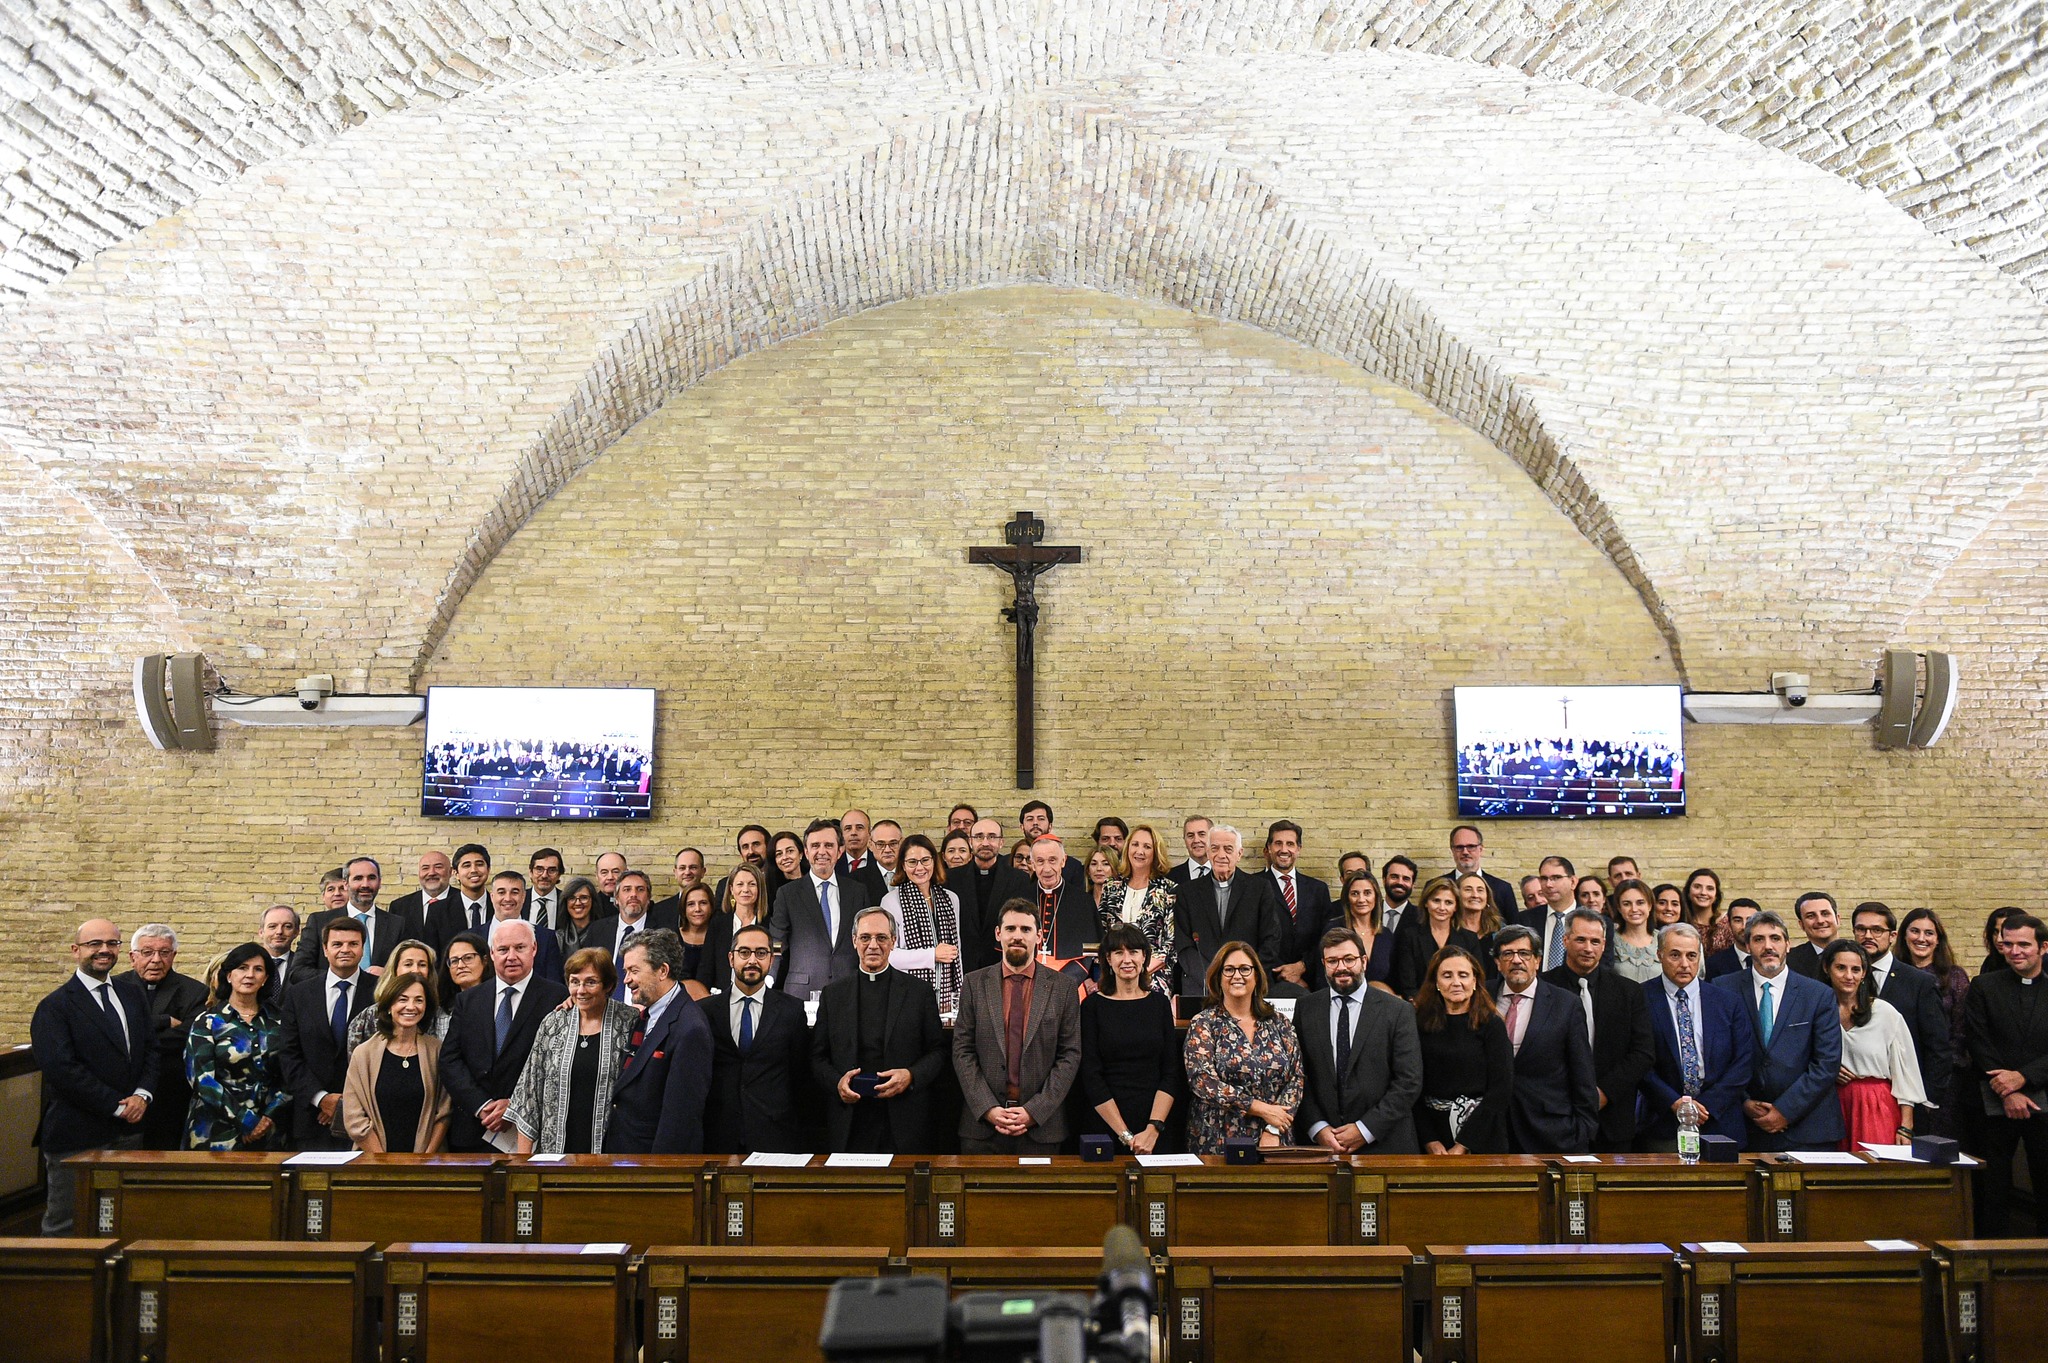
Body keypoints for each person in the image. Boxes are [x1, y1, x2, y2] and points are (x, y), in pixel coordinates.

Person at [30, 919, 157, 1235]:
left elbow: (151, 1050)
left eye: (112, 943)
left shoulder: (132, 994)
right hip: (77, 1133)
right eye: (94, 944)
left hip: (129, 1131)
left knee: (121, 1222)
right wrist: (117, 1106)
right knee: (67, 1223)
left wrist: (142, 1095)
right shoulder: (54, 1006)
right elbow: (62, 1070)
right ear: (76, 950)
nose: (104, 950)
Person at [813, 908, 949, 1154]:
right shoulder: (833, 994)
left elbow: (938, 1052)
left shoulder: (919, 992)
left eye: (882, 937)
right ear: (854, 941)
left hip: (903, 1120)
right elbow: (817, 1057)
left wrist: (910, 1075)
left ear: (893, 941)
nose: (873, 945)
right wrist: (837, 1083)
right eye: (865, 938)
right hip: (850, 1121)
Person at [954, 901, 1085, 1155]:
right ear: (998, 934)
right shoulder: (973, 984)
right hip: (981, 1129)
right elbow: (962, 1051)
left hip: (1041, 1129)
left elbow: (1070, 1055)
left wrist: (1034, 1111)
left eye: (1026, 929)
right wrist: (988, 1108)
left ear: (1039, 936)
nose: (1017, 936)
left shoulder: (1064, 988)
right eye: (1010, 928)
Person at [1712, 910, 1844, 1151]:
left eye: (1775, 938)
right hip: (1745, 1126)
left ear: (1788, 945)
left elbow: (1827, 1063)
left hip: (1808, 1127)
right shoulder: (1723, 988)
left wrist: (1786, 1110)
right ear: (1748, 946)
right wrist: (1744, 1101)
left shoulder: (1818, 994)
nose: (1768, 946)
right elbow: (1717, 1056)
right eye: (1758, 939)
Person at [439, 919, 571, 1152]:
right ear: (491, 953)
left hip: (527, 1132)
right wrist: (481, 1105)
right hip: (472, 1129)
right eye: (503, 949)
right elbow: (450, 1060)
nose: (511, 956)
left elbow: (558, 1066)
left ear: (534, 949)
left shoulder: (557, 997)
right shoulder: (468, 1000)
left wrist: (515, 1106)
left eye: (519, 948)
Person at [1294, 927, 1422, 1153]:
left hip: (1385, 1145)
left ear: (1363, 961)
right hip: (1323, 1146)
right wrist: (1318, 1128)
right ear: (1323, 964)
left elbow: (1409, 1081)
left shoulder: (1398, 1011)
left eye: (1349, 959)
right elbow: (1298, 1075)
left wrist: (1365, 1129)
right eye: (1332, 961)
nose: (1341, 967)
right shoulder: (1306, 1008)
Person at [1961, 913, 2048, 1235]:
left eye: (2024, 944)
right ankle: (1992, 1255)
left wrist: (2022, 1078)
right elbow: (1977, 1039)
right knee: (1993, 1187)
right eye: (2008, 944)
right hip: (1994, 1099)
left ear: (2043, 947)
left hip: (2044, 1097)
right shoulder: (1984, 986)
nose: (2015, 951)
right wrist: (2008, 1090)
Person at [1542, 909, 1655, 1153]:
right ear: (1565, 940)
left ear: (1604, 945)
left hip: (1613, 1118)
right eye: (1580, 940)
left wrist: (1603, 1093)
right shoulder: (1543, 987)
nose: (1588, 948)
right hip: (1554, 1116)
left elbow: (1642, 1052)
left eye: (1595, 942)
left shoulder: (1628, 992)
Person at [507, 947, 637, 1155]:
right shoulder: (553, 1023)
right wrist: (523, 1163)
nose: (581, 990)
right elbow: (530, 1092)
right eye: (575, 982)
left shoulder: (629, 1022)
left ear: (608, 985)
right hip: (555, 1153)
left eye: (591, 982)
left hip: (612, 1153)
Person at [701, 924, 816, 1154]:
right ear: (731, 958)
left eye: (761, 953)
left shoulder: (792, 1011)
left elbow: (800, 1076)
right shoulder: (705, 1011)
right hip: (718, 1135)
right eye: (744, 952)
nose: (752, 960)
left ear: (771, 960)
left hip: (775, 1135)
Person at [1182, 943, 1304, 1154]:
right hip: (1218, 1141)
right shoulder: (1204, 1023)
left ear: (1257, 976)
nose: (1237, 975)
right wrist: (1260, 1108)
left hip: (1274, 1140)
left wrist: (1274, 1128)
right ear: (1218, 977)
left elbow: (1297, 1078)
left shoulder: (1279, 1022)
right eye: (1229, 970)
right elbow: (1203, 1081)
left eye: (1245, 969)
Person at [1641, 923, 1754, 1149]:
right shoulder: (1639, 998)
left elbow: (1743, 1061)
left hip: (1719, 1119)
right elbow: (1638, 1061)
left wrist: (1706, 1105)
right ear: (1659, 955)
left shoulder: (1727, 1001)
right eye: (1675, 955)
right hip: (1662, 1121)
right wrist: (1673, 1102)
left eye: (1691, 955)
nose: (1684, 964)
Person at [605, 928, 715, 1154]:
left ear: (662, 971)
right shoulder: (645, 1016)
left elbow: (680, 1120)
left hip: (651, 1162)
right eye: (626, 971)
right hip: (626, 1153)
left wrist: (659, 1171)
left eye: (634, 970)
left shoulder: (690, 1028)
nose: (626, 980)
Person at [1492, 925, 1599, 1154]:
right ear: (1497, 962)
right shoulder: (1481, 997)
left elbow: (1582, 1072)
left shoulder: (1565, 1004)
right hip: (1492, 1130)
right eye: (1508, 954)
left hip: (1551, 1132)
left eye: (1524, 953)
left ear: (1537, 960)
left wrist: (1584, 1130)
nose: (1516, 960)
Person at [1079, 923, 1183, 1153]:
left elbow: (1170, 1072)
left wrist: (1153, 1129)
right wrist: (1126, 1135)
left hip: (1156, 1126)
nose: (1127, 960)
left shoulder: (1160, 1004)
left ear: (1144, 957)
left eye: (1133, 952)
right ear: (1108, 959)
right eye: (1118, 952)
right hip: (1106, 1125)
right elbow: (1091, 1076)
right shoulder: (1091, 1007)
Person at [1849, 902, 1951, 1134]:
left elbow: (1938, 1047)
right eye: (1861, 929)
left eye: (1877, 930)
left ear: (1893, 936)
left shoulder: (1919, 983)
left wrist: (1926, 1101)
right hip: (1854, 1099)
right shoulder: (1842, 979)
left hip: (1907, 1102)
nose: (1868, 936)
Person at [278, 915, 374, 1149]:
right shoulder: (298, 994)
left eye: (353, 944)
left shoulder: (380, 992)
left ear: (363, 949)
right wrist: (322, 1099)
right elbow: (289, 1054)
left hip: (367, 1117)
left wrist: (346, 1103)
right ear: (325, 949)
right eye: (337, 944)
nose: (345, 950)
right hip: (311, 1116)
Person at [183, 943, 290, 1151]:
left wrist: (268, 1117)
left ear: (266, 978)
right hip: (215, 1131)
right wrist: (247, 1121)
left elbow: (291, 1073)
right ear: (229, 975)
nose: (250, 975)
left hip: (269, 1130)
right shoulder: (207, 1022)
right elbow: (202, 1080)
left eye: (258, 969)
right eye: (242, 968)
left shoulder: (281, 1021)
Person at [1823, 940, 1926, 1152]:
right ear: (1827, 968)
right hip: (1831, 1105)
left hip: (1876, 1106)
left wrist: (1906, 1127)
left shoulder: (1884, 1013)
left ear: (1864, 974)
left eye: (1856, 969)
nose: (1849, 976)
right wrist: (1829, 1070)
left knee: (1875, 1167)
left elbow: (1905, 1073)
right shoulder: (1818, 1011)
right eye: (1841, 968)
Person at [1412, 945, 1512, 1155]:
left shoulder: (1492, 1024)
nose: (1456, 982)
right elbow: (1412, 1085)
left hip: (1483, 1134)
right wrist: (1429, 1140)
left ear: (1474, 981)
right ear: (1436, 983)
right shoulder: (1418, 1024)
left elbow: (1500, 1090)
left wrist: (1463, 1145)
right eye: (1447, 975)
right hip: (1431, 1134)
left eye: (1463, 975)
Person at [119, 923, 210, 1150]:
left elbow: (187, 1036)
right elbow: (111, 1030)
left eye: (164, 952)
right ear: (132, 957)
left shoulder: (195, 991)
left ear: (174, 955)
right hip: (123, 1092)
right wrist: (164, 1021)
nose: (156, 960)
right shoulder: (115, 987)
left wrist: (132, 1037)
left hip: (170, 1092)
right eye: (147, 952)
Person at [341, 973, 452, 1153]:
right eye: (403, 999)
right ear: (389, 1006)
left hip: (427, 1161)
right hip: (373, 1160)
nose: (411, 1006)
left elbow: (444, 1111)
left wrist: (424, 1160)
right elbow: (354, 1117)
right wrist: (384, 1162)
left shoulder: (437, 1051)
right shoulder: (363, 1054)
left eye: (419, 1000)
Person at [1174, 826, 1284, 993]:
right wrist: (1211, 977)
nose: (1221, 855)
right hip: (1201, 985)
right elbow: (1183, 944)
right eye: (1215, 848)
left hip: (1248, 985)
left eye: (1228, 849)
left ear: (1239, 854)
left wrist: (1245, 974)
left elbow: (1271, 939)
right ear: (1208, 852)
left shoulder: (1259, 889)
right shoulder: (1187, 892)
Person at [768, 818, 866, 1001]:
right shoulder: (788, 894)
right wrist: (768, 978)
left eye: (829, 845)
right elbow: (777, 942)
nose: (822, 851)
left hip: (850, 988)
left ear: (840, 851)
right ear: (806, 852)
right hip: (801, 992)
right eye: (815, 846)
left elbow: (866, 940)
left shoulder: (857, 892)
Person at [1900, 907, 1972, 1137]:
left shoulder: (1955, 976)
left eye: (1929, 933)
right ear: (1903, 935)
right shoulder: (1895, 974)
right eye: (1915, 931)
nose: (1921, 938)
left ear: (1938, 939)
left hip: (1945, 1078)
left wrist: (1938, 1073)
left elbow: (1961, 1031)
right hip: (1900, 1075)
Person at [879, 834, 965, 1019]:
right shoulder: (891, 901)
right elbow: (889, 956)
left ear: (934, 861)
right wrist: (932, 955)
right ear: (903, 865)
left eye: (925, 860)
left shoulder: (951, 898)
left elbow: (956, 953)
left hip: (947, 998)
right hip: (907, 996)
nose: (920, 868)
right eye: (912, 862)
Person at [1094, 824, 1178, 994]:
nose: (1140, 851)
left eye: (1147, 847)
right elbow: (1102, 932)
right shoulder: (1111, 886)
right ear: (1127, 848)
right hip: (1114, 975)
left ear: (1156, 852)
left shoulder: (1169, 890)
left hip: (1153, 977)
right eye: (1135, 844)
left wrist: (1139, 971)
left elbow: (1170, 943)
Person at [295, 855, 412, 976]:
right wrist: (339, 978)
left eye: (371, 878)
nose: (365, 884)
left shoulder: (397, 925)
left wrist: (389, 975)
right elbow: (298, 971)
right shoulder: (319, 922)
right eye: (358, 878)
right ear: (346, 884)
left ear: (380, 882)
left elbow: (410, 969)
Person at [953, 817, 1034, 974]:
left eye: (992, 837)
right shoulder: (952, 879)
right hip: (962, 964)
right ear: (970, 842)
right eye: (979, 837)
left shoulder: (1019, 880)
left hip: (1003, 964)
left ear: (1001, 842)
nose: (985, 843)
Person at [1262, 820, 1333, 990]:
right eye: (1278, 843)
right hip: (1268, 981)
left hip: (1311, 981)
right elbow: (1251, 936)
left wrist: (1302, 966)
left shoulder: (1318, 889)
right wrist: (1282, 973)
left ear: (1298, 849)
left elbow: (1327, 936)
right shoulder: (1253, 886)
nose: (1284, 849)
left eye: (1290, 844)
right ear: (1269, 848)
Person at [345, 940, 448, 1051]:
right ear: (394, 969)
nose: (415, 970)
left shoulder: (440, 1015)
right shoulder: (367, 1018)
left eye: (422, 965)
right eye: (408, 964)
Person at [1390, 878, 1482, 1000]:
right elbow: (1408, 985)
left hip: (1460, 1002)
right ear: (1426, 903)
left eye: (1448, 902)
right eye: (1436, 901)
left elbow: (1477, 979)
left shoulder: (1469, 939)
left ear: (1456, 907)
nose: (1442, 907)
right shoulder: (1410, 936)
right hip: (1421, 1005)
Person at [696, 862, 772, 997]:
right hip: (722, 997)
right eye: (740, 884)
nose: (745, 889)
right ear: (731, 889)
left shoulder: (770, 924)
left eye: (752, 884)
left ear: (760, 889)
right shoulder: (718, 924)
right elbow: (706, 967)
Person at [1020, 834, 1094, 965]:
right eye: (1040, 861)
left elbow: (1088, 953)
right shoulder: (1020, 901)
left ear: (1063, 861)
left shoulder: (1083, 901)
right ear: (1033, 864)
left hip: (1069, 975)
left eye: (1052, 860)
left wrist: (1064, 977)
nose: (1047, 869)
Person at [1323, 870, 1397, 992]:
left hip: (1378, 1001)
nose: (1361, 899)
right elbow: (1323, 977)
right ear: (1347, 898)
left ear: (1376, 897)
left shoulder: (1386, 935)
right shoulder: (1333, 929)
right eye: (1355, 893)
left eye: (1367, 893)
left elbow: (1393, 978)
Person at [488, 870, 566, 984]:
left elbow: (553, 984)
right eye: (501, 892)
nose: (508, 898)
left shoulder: (545, 938)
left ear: (524, 896)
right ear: (492, 896)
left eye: (515, 892)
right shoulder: (474, 935)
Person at [425, 843, 495, 954]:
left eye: (479, 864)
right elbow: (432, 955)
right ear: (456, 873)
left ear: (488, 869)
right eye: (466, 865)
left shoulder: (500, 906)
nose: (473, 870)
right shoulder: (438, 911)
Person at [1447, 825, 1517, 928]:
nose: (1465, 852)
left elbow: (1515, 929)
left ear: (1481, 849)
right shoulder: (1437, 886)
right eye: (1459, 847)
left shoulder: (1503, 888)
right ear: (1452, 850)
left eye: (1471, 846)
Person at [391, 850, 456, 943]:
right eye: (425, 868)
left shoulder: (463, 901)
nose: (431, 873)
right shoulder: (399, 907)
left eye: (438, 867)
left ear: (450, 872)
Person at [1526, 856, 1579, 972]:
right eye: (1544, 878)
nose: (1549, 884)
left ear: (1573, 882)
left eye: (1556, 878)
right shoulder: (1525, 920)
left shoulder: (1594, 921)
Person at [1606, 880, 1663, 984]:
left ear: (1650, 905)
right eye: (1626, 904)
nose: (1634, 909)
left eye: (1640, 903)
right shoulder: (1610, 939)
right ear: (1619, 908)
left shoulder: (1663, 939)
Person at [837, 808, 889, 902]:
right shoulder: (833, 864)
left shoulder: (880, 862)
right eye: (848, 828)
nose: (853, 833)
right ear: (841, 834)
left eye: (859, 827)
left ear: (869, 833)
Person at [1786, 891, 1841, 979]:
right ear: (1802, 925)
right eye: (1811, 916)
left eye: (1825, 914)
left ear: (1837, 919)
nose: (1820, 921)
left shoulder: (1858, 955)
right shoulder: (1788, 961)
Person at [1704, 898, 1761, 980]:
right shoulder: (1714, 964)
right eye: (1738, 920)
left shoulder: (1774, 958)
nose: (1744, 926)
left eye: (1750, 920)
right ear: (1729, 923)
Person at [676, 883, 717, 997]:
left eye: (703, 903)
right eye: (691, 904)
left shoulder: (720, 938)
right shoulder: (672, 938)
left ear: (711, 906)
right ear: (684, 908)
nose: (697, 909)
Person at [1453, 872, 1504, 961]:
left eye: (1480, 890)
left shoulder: (1500, 929)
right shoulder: (1449, 929)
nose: (1475, 895)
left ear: (1487, 897)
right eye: (1468, 890)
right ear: (1457, 895)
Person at [1683, 868, 1729, 953]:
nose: (1703, 892)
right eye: (1697, 887)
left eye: (1710, 888)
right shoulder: (1680, 922)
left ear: (1716, 896)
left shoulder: (1727, 924)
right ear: (1688, 892)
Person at [437, 931, 489, 1004]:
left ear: (485, 960)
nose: (460, 966)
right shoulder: (440, 1006)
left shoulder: (499, 1001)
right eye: (454, 961)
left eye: (468, 958)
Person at [524, 847, 568, 932]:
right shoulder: (519, 900)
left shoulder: (567, 901)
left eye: (552, 870)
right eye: (539, 869)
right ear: (530, 872)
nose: (544, 875)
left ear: (559, 874)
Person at [259, 905, 302, 991]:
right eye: (272, 926)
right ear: (261, 932)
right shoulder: (246, 965)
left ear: (296, 932)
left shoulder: (302, 965)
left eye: (287, 926)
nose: (279, 932)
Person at [556, 876, 601, 955]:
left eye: (584, 898)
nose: (578, 903)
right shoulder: (557, 937)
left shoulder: (603, 933)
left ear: (592, 901)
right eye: (572, 898)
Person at [1379, 857, 1418, 939]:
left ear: (1413, 885)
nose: (1400, 882)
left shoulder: (1420, 918)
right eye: (1394, 877)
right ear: (1384, 880)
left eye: (1406, 879)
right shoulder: (1370, 912)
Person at [1168, 815, 1212, 885]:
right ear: (1184, 840)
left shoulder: (1227, 874)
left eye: (1201, 834)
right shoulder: (1169, 877)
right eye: (1190, 836)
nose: (1196, 840)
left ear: (1213, 837)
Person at [1084, 843, 1118, 919]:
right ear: (1088, 871)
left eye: (1105, 864)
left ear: (1114, 869)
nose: (1099, 868)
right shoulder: (1081, 900)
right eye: (1094, 864)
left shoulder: (1120, 900)